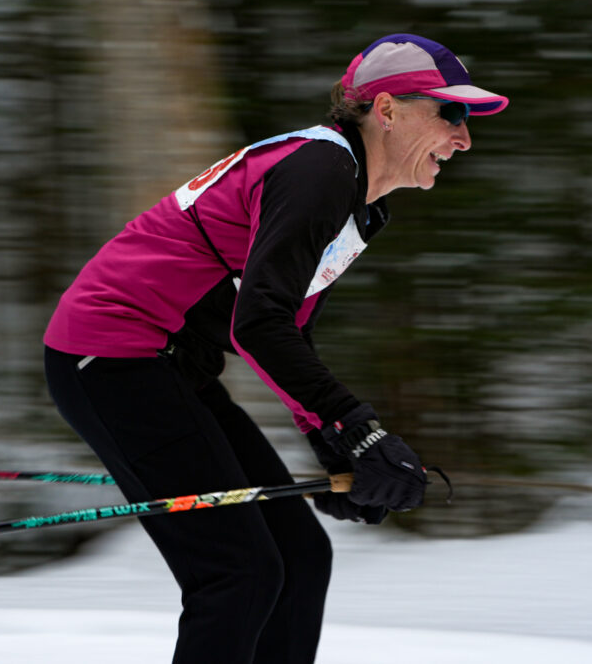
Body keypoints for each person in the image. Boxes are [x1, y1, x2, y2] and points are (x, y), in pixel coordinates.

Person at [43, 33, 508, 664]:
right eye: (450, 114)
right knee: (239, 574)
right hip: (112, 358)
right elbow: (257, 326)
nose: (464, 137)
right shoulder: (319, 173)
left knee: (299, 557)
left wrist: (334, 442)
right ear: (388, 110)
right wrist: (363, 432)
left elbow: (286, 327)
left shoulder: (354, 201)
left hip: (169, 368)